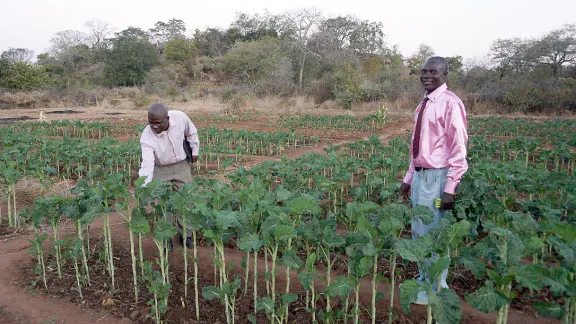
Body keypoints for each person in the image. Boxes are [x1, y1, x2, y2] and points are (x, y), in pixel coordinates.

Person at [399, 57, 468, 305]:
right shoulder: (423, 104)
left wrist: (450, 188)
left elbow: (458, 147)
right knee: (419, 231)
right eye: (424, 71)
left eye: (434, 71)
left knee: (434, 234)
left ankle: (436, 288)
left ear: (445, 74)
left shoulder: (451, 103)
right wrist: (408, 178)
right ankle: (423, 281)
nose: (427, 75)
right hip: (420, 176)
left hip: (437, 178)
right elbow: (417, 146)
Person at [139, 103, 199, 250]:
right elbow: (147, 163)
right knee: (162, 205)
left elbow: (191, 133)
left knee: (186, 200)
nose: (153, 126)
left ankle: (186, 235)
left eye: (157, 123)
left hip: (181, 166)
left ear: (167, 118)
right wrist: (145, 186)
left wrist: (195, 150)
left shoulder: (180, 118)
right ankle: (166, 237)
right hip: (161, 169)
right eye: (150, 122)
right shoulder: (147, 137)